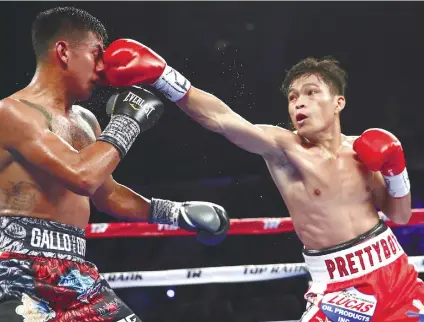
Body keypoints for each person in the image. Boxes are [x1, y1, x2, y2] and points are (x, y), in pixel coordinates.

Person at [100, 38, 424, 321]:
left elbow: (399, 215)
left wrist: (395, 169)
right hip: (338, 290)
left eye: (311, 93)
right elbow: (221, 119)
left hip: (396, 275)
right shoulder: (284, 148)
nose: (299, 101)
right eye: (293, 96)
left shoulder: (364, 151)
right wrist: (163, 76)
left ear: (338, 102)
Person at [0, 7, 230, 322]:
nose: (102, 68)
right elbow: (82, 176)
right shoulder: (12, 113)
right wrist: (127, 120)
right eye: (96, 55)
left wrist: (177, 213)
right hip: (15, 270)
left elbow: (106, 194)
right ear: (64, 51)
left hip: (76, 274)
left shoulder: (86, 121)